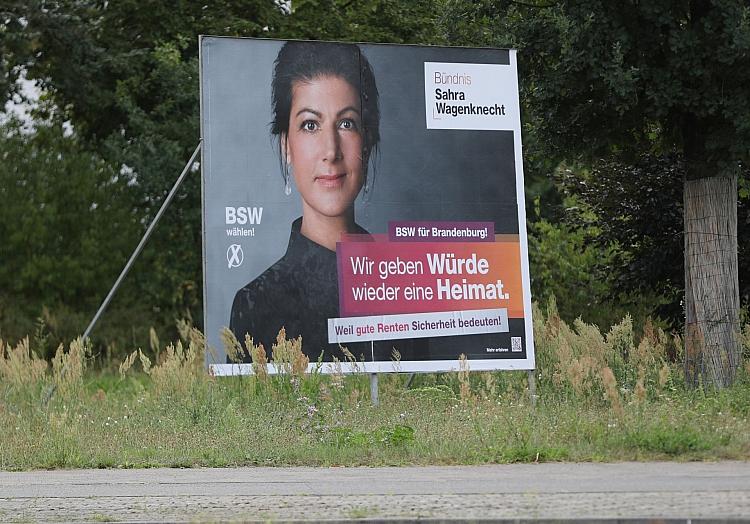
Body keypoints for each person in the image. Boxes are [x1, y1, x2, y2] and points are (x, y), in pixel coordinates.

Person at [230, 41, 400, 362]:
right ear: (287, 146)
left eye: (346, 123)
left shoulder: (408, 287)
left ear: (367, 140)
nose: (331, 151)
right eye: (310, 125)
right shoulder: (255, 305)